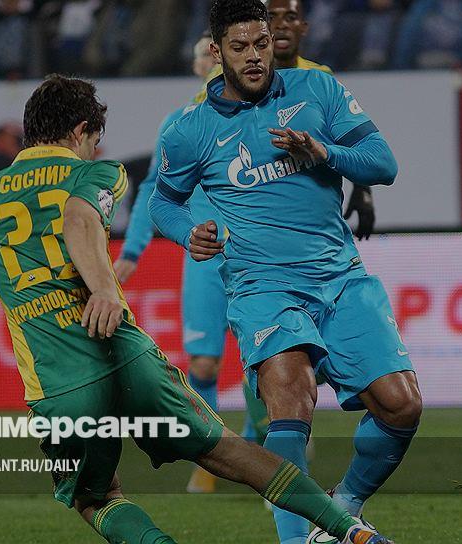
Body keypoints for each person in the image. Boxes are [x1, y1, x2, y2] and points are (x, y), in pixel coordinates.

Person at [0, 74, 394, 544]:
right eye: (94, 139)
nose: (96, 150)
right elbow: (79, 217)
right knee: (228, 451)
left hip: (59, 382)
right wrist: (104, 291)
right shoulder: (97, 173)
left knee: (97, 496)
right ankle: (349, 530)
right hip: (129, 357)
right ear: (81, 131)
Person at [149, 2, 422, 544]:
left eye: (260, 43)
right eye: (239, 47)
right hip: (263, 287)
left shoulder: (316, 90)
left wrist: (325, 152)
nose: (254, 56)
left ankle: (341, 510)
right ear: (216, 51)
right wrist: (188, 233)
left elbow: (383, 163)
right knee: (290, 400)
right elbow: (163, 202)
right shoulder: (189, 128)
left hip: (340, 277)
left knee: (402, 405)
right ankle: (296, 541)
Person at [114, 0, 376, 496]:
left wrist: (358, 187)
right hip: (206, 257)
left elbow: (353, 143)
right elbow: (155, 194)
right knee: (204, 364)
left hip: (267, 260)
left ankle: (271, 448)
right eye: (214, 53)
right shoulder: (185, 123)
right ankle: (220, 459)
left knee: (275, 360)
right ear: (212, 56)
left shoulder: (302, 87)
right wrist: (136, 250)